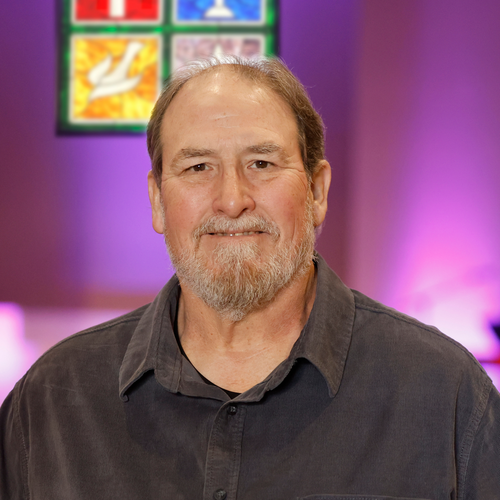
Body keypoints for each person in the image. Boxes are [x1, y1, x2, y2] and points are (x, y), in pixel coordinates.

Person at [1, 56, 499, 500]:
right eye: (198, 167)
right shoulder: (51, 401)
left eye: (261, 163)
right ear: (157, 201)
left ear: (317, 191)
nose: (232, 199)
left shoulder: (447, 396)